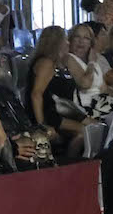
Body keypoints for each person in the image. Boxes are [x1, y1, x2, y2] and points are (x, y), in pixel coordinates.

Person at [27, 25, 86, 154]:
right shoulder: (46, 63)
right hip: (49, 115)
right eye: (65, 39)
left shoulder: (57, 64)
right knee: (85, 132)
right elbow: (36, 94)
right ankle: (70, 163)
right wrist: (41, 125)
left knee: (95, 127)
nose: (68, 42)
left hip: (60, 112)